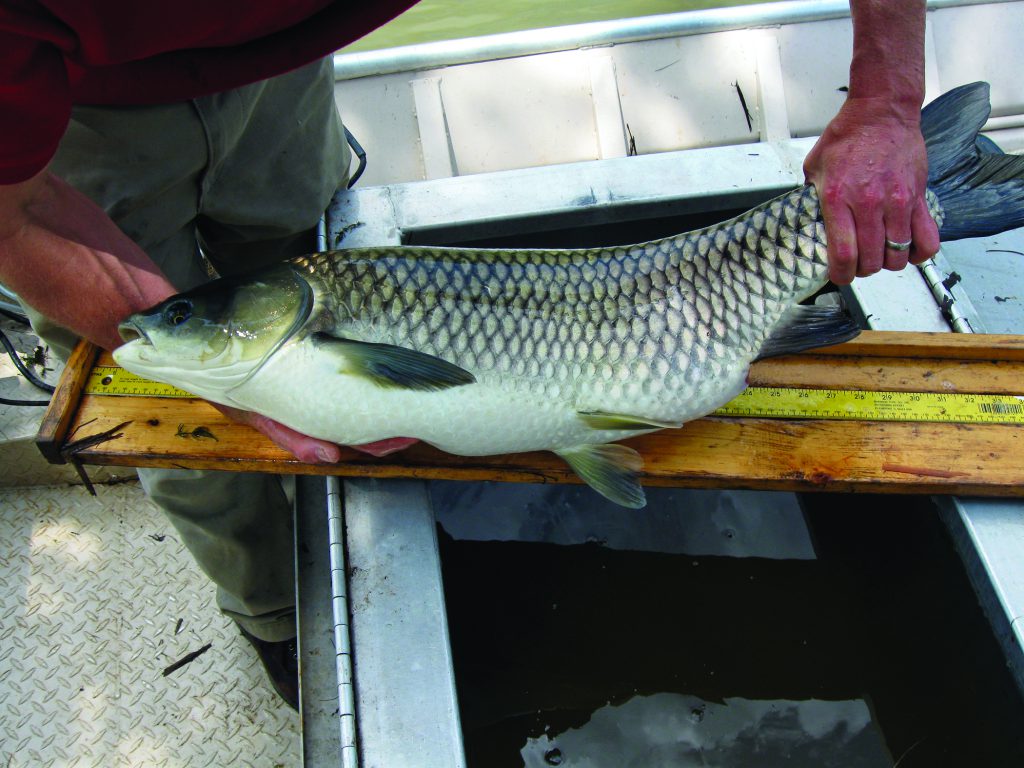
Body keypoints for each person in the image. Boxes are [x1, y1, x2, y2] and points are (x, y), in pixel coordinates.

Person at [0, 0, 937, 709]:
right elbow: (18, 212)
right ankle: (278, 617)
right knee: (176, 420)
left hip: (283, 63)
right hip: (68, 113)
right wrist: (217, 370)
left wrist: (891, 103)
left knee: (312, 244)